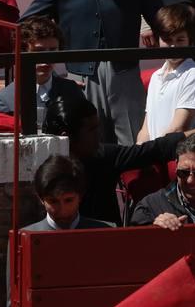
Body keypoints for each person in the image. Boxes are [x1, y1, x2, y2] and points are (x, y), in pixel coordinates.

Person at [21, 0, 162, 144]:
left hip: (125, 74)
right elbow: (26, 25)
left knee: (133, 144)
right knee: (86, 145)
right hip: (80, 76)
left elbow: (162, 18)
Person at [44, 92, 186, 225]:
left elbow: (153, 150)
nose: (98, 135)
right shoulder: (38, 167)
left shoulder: (104, 156)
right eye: (92, 130)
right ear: (67, 137)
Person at [0, 16, 87, 133]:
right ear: (22, 51)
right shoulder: (5, 100)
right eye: (38, 51)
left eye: (52, 50)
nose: (46, 58)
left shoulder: (71, 91)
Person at [136, 3, 195, 142]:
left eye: (180, 40)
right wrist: (140, 153)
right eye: (167, 40)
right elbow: (146, 128)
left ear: (191, 41)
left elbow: (178, 128)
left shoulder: (193, 75)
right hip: (154, 156)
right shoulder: (156, 77)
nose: (173, 46)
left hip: (175, 157)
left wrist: (150, 153)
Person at [23, 155, 116, 232]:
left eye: (68, 200)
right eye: (53, 201)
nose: (62, 210)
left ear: (80, 196)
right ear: (41, 199)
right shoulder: (21, 239)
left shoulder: (107, 232)